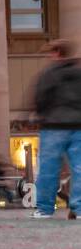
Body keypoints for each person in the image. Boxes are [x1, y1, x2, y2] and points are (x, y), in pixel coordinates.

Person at [30, 38, 81, 219]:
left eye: (51, 52)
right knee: (79, 168)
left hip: (53, 126)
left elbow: (40, 98)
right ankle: (79, 208)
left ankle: (44, 209)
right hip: (78, 127)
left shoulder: (49, 73)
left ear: (57, 53)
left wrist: (40, 115)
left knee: (48, 170)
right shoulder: (79, 72)